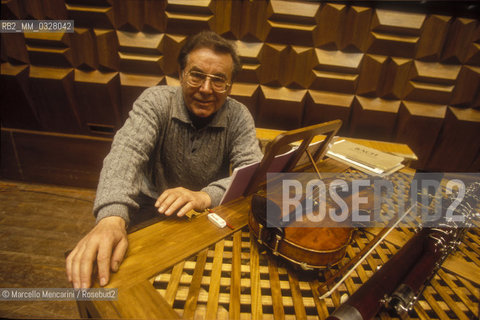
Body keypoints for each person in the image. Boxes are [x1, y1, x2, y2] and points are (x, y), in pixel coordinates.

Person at [65, 31, 263, 289]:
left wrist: (204, 196)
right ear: (181, 74)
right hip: (148, 207)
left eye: (218, 80)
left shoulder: (239, 116)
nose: (205, 89)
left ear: (230, 86)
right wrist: (110, 218)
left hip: (201, 213)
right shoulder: (156, 101)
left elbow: (252, 174)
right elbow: (126, 153)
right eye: (197, 75)